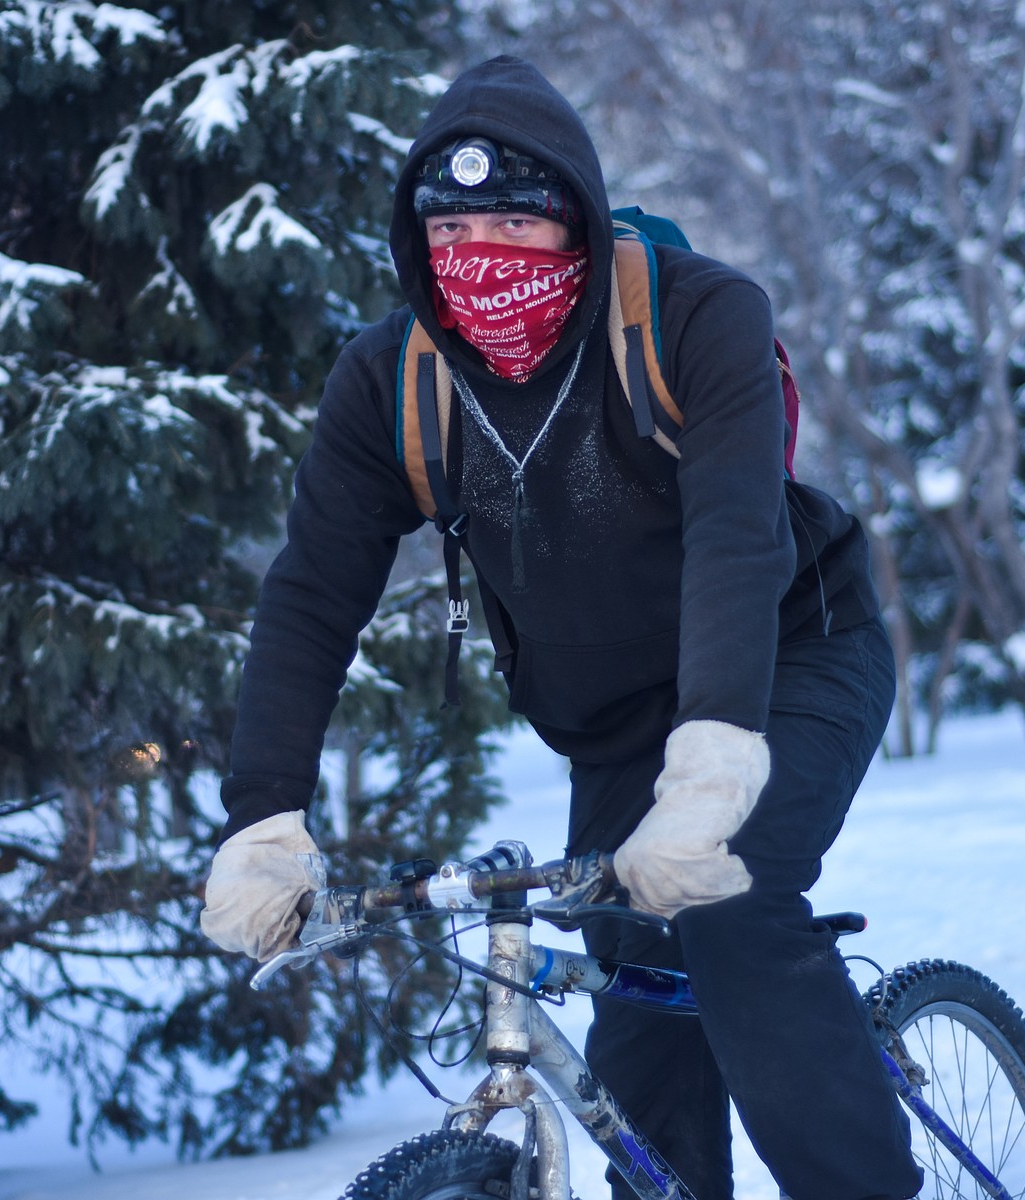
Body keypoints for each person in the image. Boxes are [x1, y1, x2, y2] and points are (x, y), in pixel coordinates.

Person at [201, 54, 922, 1200]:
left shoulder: (696, 317)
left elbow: (740, 536)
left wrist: (717, 762)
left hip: (788, 659)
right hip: (616, 723)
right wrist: (264, 818)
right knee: (635, 1005)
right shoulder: (391, 380)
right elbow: (310, 597)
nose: (478, 253)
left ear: (578, 221)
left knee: (730, 916)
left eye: (512, 221)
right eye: (452, 227)